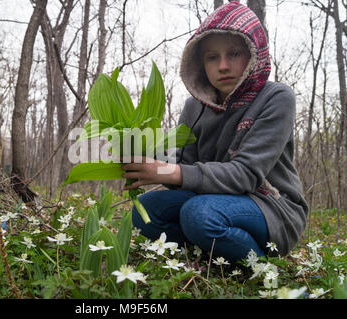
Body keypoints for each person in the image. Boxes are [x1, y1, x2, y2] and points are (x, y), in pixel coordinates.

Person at [121, 1, 308, 263]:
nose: (222, 65)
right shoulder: (194, 106)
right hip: (211, 201)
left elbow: (245, 175)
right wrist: (143, 160)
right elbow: (184, 167)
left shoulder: (276, 98)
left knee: (199, 214)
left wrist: (172, 172)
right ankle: (213, 256)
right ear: (200, 63)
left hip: (272, 207)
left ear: (254, 53)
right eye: (212, 57)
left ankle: (264, 268)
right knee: (146, 212)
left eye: (233, 54)